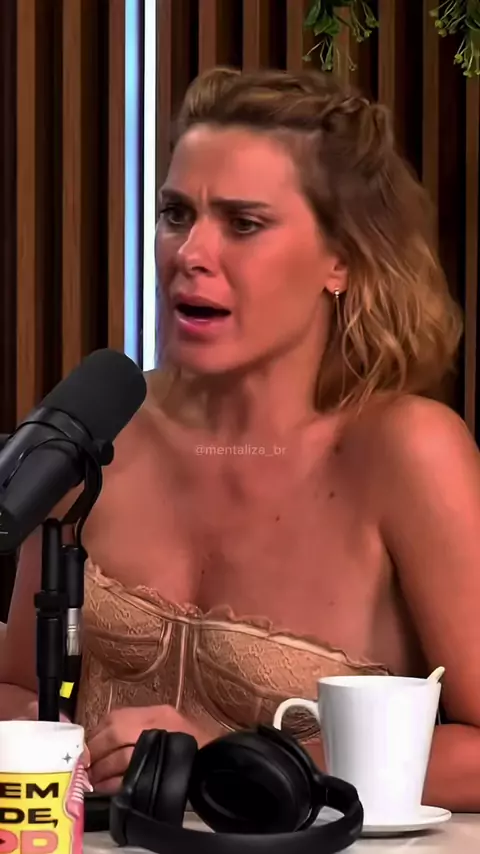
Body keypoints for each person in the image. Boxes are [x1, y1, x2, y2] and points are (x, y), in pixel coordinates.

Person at [1, 65, 479, 811]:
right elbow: (14, 687)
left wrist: (230, 767)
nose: (190, 254)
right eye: (175, 214)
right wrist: (53, 741)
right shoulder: (102, 427)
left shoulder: (409, 451)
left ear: (341, 258)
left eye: (243, 223)